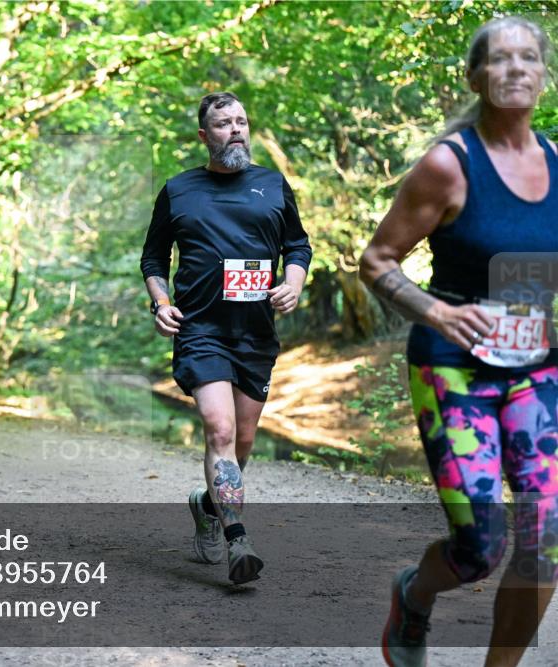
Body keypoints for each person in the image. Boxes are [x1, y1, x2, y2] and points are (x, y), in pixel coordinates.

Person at [359, 17, 556, 667]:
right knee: (481, 546)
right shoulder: (450, 164)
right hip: (455, 372)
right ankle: (414, 595)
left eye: (530, 57)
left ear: (544, 74)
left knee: (546, 541)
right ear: (475, 77)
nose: (517, 68)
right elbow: (379, 261)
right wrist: (437, 312)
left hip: (537, 369)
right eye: (501, 59)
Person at [140, 92, 312, 584]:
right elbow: (154, 259)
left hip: (255, 333)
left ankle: (209, 507)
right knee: (219, 430)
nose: (234, 129)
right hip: (201, 330)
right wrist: (161, 302)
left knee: (243, 440)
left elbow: (297, 245)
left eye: (240, 121)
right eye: (222, 123)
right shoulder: (178, 190)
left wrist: (294, 283)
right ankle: (238, 538)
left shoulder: (273, 186)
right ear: (204, 136)